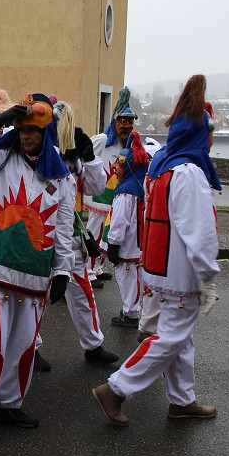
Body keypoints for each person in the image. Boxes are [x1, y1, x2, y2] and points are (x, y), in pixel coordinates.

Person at [92, 75, 221, 427]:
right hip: (179, 271)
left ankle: (182, 400)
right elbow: (199, 232)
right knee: (172, 337)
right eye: (210, 132)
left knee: (181, 338)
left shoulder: (161, 166)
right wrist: (208, 276)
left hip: (160, 267)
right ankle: (116, 389)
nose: (212, 140)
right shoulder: (191, 172)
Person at [0, 90, 72, 441]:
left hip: (34, 277)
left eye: (32, 131)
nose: (26, 136)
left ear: (45, 133)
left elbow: (63, 228)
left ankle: (7, 402)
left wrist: (62, 270)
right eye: (21, 131)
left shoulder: (59, 176)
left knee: (22, 344)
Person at [48, 100, 118, 366]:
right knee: (33, 297)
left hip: (71, 235)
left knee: (82, 293)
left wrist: (88, 158)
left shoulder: (75, 147)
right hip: (38, 235)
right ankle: (31, 350)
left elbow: (93, 186)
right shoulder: (36, 148)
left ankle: (92, 346)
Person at [87, 91, 134, 287]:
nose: (126, 126)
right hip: (99, 196)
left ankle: (97, 268)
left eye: (130, 123)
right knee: (92, 233)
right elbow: (85, 157)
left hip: (114, 199)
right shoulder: (101, 140)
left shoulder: (126, 145)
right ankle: (87, 271)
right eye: (122, 122)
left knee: (106, 235)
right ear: (115, 122)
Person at [105, 130, 151, 329]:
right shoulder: (143, 188)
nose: (114, 167)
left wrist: (113, 244)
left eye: (119, 164)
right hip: (138, 246)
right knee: (135, 279)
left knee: (127, 279)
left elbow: (119, 222)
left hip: (127, 246)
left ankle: (131, 313)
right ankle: (132, 309)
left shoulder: (126, 192)